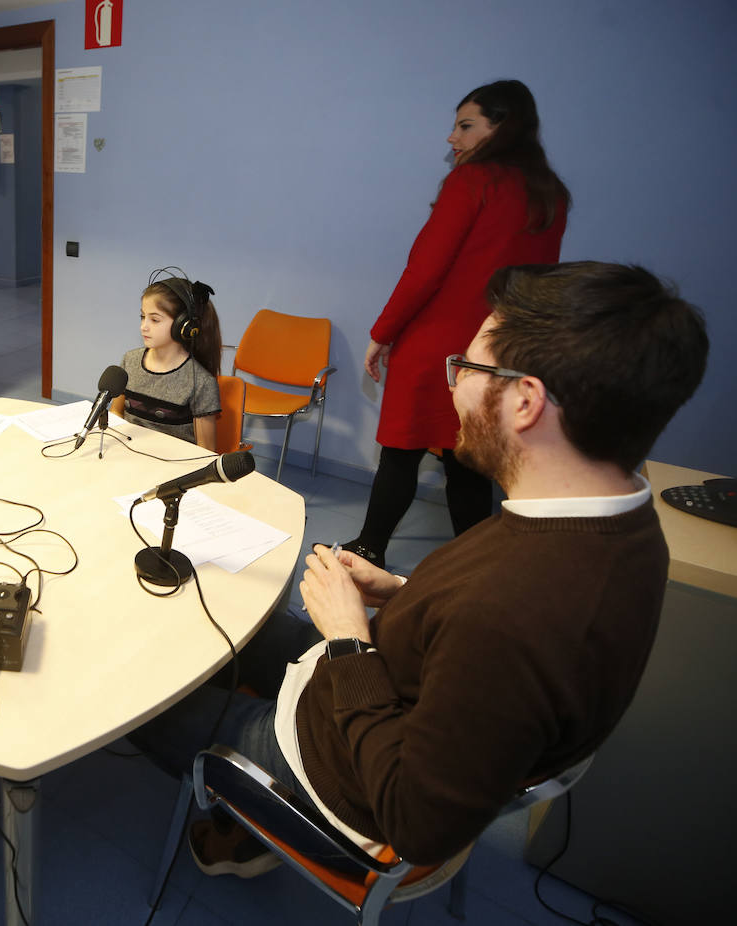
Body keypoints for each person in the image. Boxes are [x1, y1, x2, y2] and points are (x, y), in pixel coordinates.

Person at [130, 261, 708, 874]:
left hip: (331, 770)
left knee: (139, 692)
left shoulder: (518, 610)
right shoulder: (617, 523)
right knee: (213, 604)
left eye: (467, 368)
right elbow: (474, 642)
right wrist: (404, 593)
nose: (452, 385)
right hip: (385, 676)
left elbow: (416, 820)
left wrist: (350, 642)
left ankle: (257, 819)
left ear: (526, 401)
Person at [347, 79, 571, 569]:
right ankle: (473, 566)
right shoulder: (550, 194)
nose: (453, 138)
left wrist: (382, 332)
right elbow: (539, 282)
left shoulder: (472, 181)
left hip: (436, 344)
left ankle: (369, 548)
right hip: (497, 350)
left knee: (401, 451)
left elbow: (425, 268)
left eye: (465, 126)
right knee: (468, 462)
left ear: (501, 127)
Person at [121, 270, 223, 452]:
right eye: (143, 317)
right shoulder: (130, 361)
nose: (144, 326)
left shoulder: (200, 383)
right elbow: (116, 413)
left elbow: (206, 452)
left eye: (155, 319)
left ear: (183, 325)